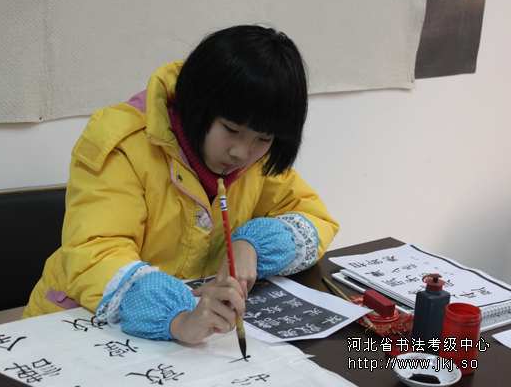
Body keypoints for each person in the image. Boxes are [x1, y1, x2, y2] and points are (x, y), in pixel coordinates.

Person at [24, 24, 339, 344]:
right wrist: (176, 317)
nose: (241, 152)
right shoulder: (122, 143)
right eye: (231, 129)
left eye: (263, 138)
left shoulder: (257, 160)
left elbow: (315, 219)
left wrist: (253, 245)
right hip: (81, 326)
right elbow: (96, 253)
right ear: (198, 105)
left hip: (188, 340)